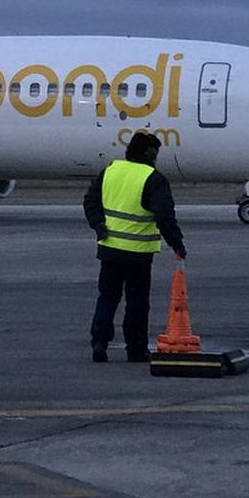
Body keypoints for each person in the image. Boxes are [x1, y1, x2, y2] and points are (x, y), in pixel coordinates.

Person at [82, 131, 186, 363]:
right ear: (150, 154)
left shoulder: (110, 170)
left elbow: (90, 201)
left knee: (107, 298)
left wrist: (98, 225)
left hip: (109, 249)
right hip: (138, 254)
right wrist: (176, 243)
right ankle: (135, 348)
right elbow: (164, 216)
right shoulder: (153, 178)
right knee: (137, 303)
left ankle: (99, 342)